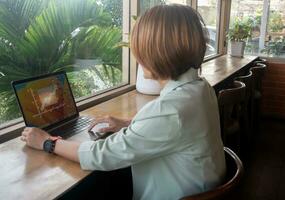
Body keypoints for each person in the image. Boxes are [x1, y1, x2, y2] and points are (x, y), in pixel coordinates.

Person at [21, 4, 226, 200]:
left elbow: (102, 156)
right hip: (202, 186)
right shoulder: (200, 88)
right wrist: (128, 124)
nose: (137, 57)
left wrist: (47, 142)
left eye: (141, 50)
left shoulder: (171, 110)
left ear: (158, 53)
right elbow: (174, 129)